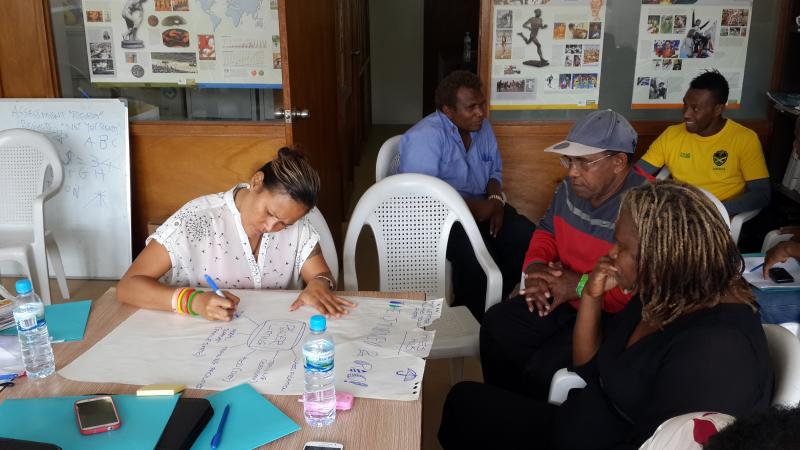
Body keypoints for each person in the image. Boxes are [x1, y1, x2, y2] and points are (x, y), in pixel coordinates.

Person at [439, 180, 774, 449]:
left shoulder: (716, 351)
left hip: (595, 437)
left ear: (662, 257)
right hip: (576, 424)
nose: (611, 255)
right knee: (463, 403)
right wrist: (592, 295)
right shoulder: (663, 295)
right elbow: (589, 365)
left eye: (622, 248)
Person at [480, 109, 651, 399]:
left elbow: (639, 291)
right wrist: (535, 271)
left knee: (543, 369)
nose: (572, 172)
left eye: (584, 162)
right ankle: (501, 410)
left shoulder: (647, 205)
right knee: (497, 326)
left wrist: (580, 286)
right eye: (570, 160)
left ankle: (535, 424)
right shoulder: (570, 190)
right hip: (561, 294)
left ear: (619, 162)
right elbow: (547, 230)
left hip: (610, 315)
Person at [118, 148, 355, 321]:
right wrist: (193, 301)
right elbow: (129, 286)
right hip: (195, 340)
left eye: (284, 223)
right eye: (270, 213)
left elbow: (321, 274)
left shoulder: (297, 227)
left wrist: (319, 285)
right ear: (256, 182)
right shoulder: (197, 220)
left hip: (267, 338)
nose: (272, 227)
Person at [398, 71, 535, 321]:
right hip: (439, 219)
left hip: (484, 205)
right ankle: (470, 317)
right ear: (449, 111)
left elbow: (494, 170)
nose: (480, 112)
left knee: (526, 237)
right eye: (471, 107)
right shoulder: (424, 138)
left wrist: (495, 201)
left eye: (481, 105)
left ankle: (490, 309)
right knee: (480, 259)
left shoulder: (482, 128)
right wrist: (478, 209)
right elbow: (422, 199)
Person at [637, 70, 770, 215]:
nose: (686, 114)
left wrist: (714, 210)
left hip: (718, 216)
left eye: (695, 108)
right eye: (685, 105)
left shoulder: (744, 139)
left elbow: (761, 194)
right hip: (677, 213)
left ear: (718, 109)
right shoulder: (671, 135)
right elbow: (638, 173)